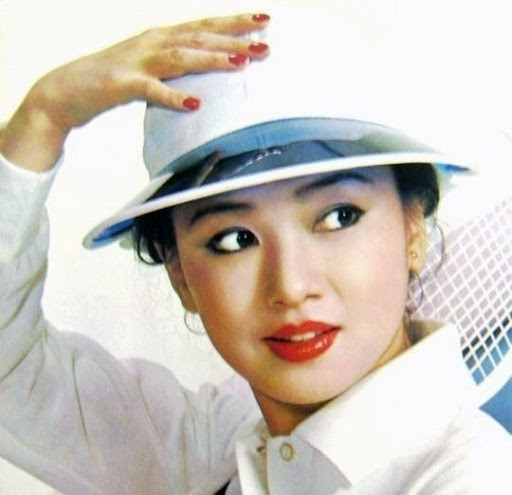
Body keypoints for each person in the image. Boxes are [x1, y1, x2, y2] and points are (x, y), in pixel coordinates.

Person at [0, 4, 510, 495]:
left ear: (413, 229)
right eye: (234, 240)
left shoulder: (474, 480)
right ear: (180, 276)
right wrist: (44, 114)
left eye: (339, 216)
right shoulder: (207, 455)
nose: (291, 286)